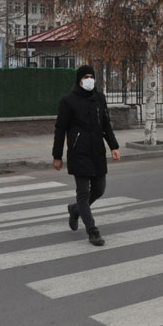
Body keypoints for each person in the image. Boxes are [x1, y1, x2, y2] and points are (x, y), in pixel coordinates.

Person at [52, 65, 121, 246]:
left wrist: (113, 146)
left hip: (97, 151)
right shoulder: (68, 101)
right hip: (78, 153)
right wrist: (57, 156)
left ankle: (75, 210)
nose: (89, 79)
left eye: (92, 76)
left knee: (99, 189)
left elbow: (105, 124)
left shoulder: (99, 98)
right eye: (86, 76)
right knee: (83, 193)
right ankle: (92, 231)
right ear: (79, 79)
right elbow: (60, 130)